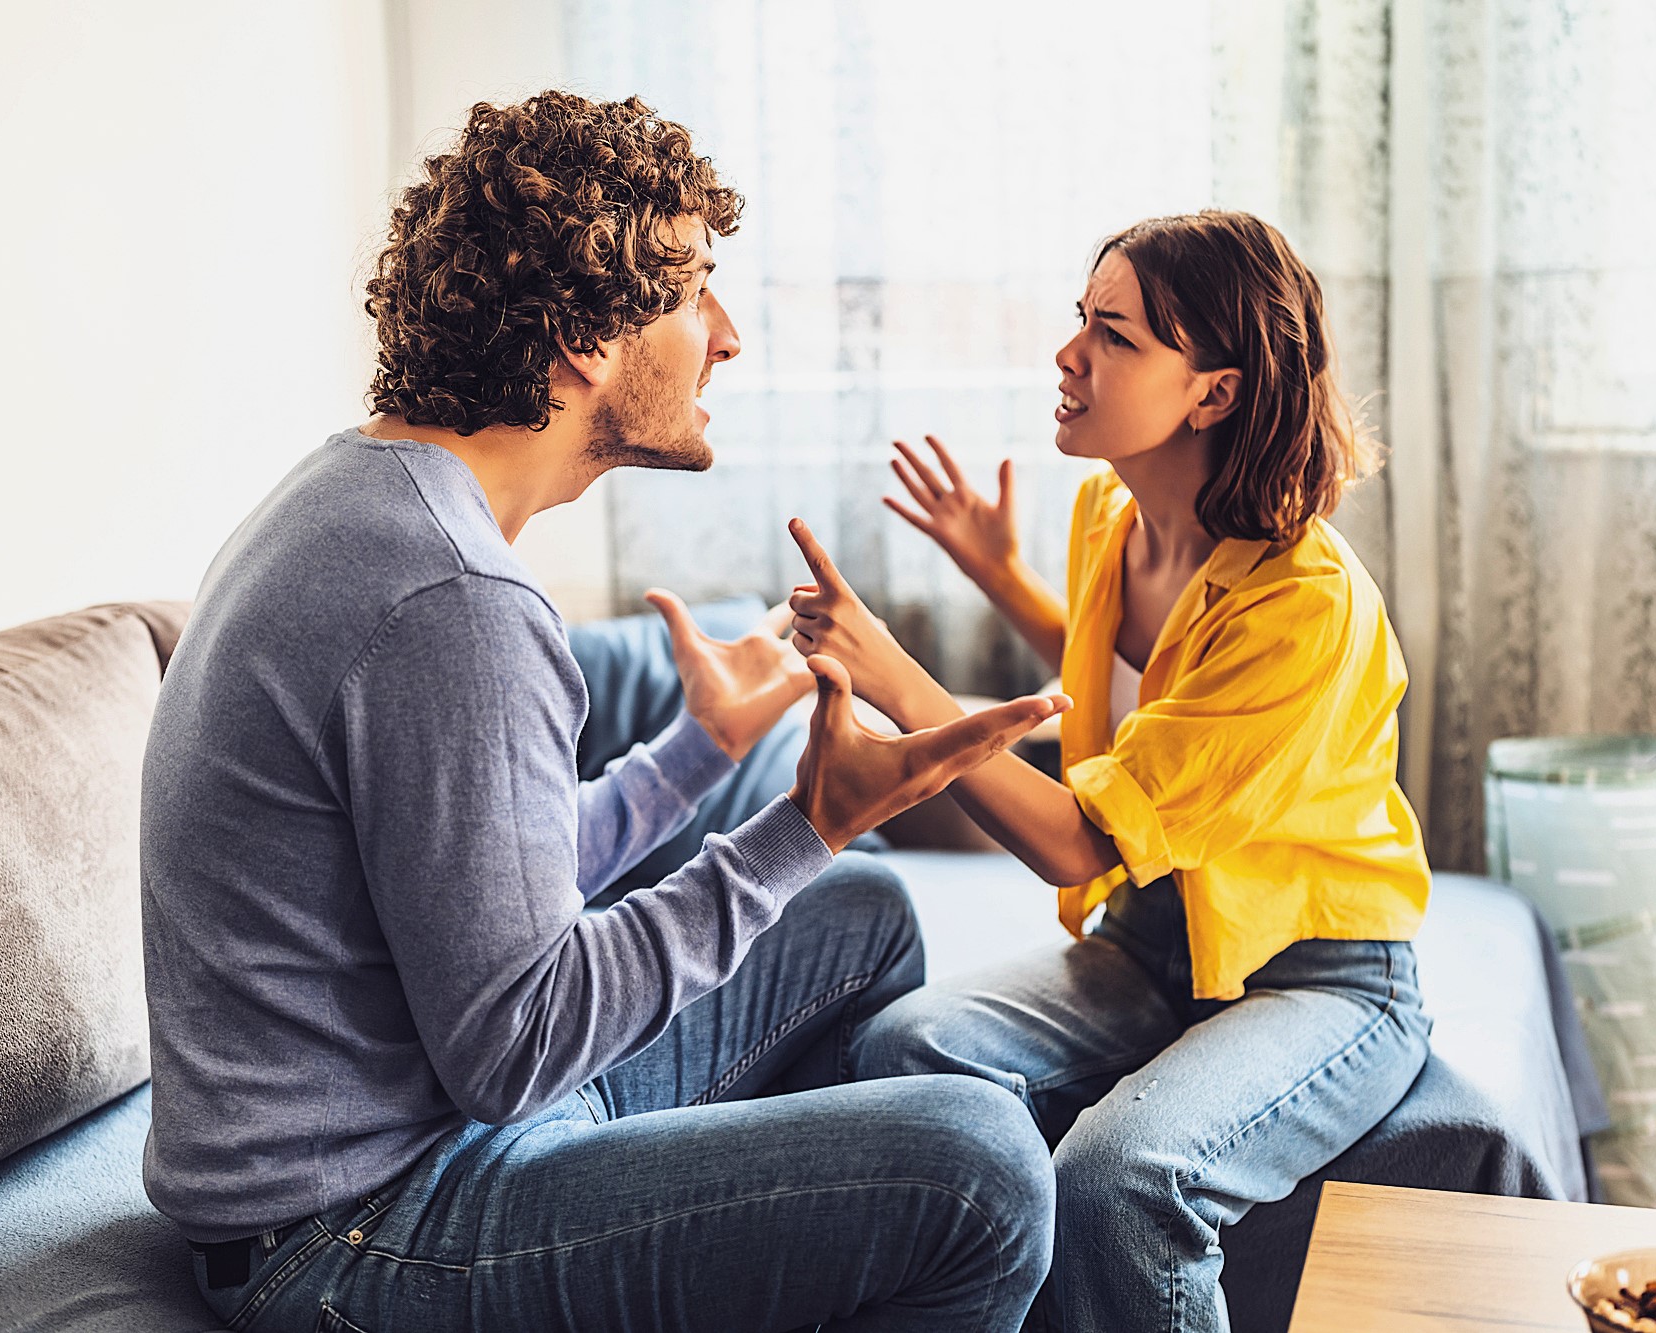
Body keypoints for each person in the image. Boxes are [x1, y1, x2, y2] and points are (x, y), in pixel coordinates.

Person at [140, 91, 1068, 1333]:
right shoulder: (450, 596)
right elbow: (514, 1043)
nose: (726, 336)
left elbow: (474, 890)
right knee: (981, 1166)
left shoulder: (361, 495)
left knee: (860, 915)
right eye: (693, 293)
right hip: (353, 1231)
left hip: (416, 1137)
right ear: (583, 336)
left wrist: (698, 756)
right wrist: (807, 822)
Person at [783, 210, 1435, 1332]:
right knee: (905, 1047)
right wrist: (999, 573)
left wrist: (900, 679)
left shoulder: (1303, 605)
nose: (1067, 354)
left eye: (1114, 335)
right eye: (1078, 320)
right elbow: (1137, 692)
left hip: (1317, 976)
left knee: (1121, 1176)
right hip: (1147, 940)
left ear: (1213, 392)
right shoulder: (1110, 515)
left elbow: (1080, 837)